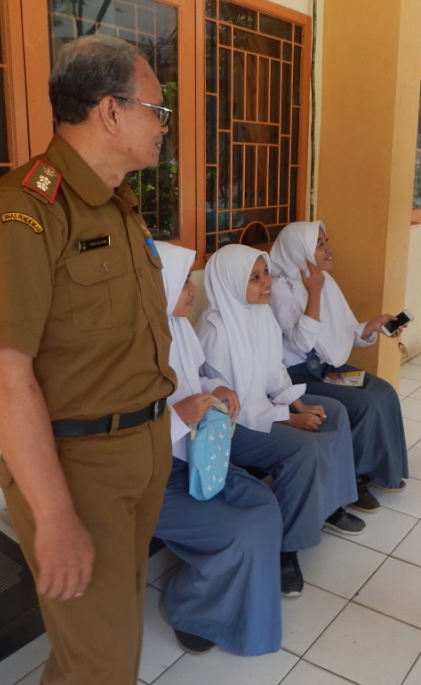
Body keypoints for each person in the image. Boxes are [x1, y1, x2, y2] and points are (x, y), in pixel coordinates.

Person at [0, 35, 176, 684]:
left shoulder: (119, 207)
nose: (164, 125)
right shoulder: (21, 214)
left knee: (99, 649)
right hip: (80, 467)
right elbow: (2, 375)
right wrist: (53, 517)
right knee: (103, 665)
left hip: (145, 447)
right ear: (111, 110)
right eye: (157, 109)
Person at [195, 244, 361, 596]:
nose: (266, 282)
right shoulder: (215, 331)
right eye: (254, 277)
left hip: (263, 408)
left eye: (266, 273)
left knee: (334, 412)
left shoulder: (260, 314)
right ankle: (285, 550)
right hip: (232, 426)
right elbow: (231, 406)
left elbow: (275, 374)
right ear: (231, 282)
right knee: (300, 450)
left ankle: (330, 506)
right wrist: (287, 419)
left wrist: (297, 405)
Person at [151, 241, 283, 656]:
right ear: (156, 287)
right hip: (150, 477)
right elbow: (120, 442)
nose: (194, 289)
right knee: (236, 531)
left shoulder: (177, 330)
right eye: (184, 282)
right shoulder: (130, 348)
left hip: (192, 457)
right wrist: (179, 417)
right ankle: (188, 607)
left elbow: (195, 377)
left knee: (263, 504)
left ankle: (239, 601)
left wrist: (216, 387)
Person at [269, 221, 410, 512]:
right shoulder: (278, 289)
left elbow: (344, 331)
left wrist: (373, 326)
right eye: (319, 245)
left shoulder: (322, 281)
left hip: (323, 368)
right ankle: (354, 481)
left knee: (383, 391)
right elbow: (301, 343)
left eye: (326, 241)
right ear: (299, 252)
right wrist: (314, 293)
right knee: (362, 404)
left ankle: (380, 469)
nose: (329, 249)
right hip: (296, 377)